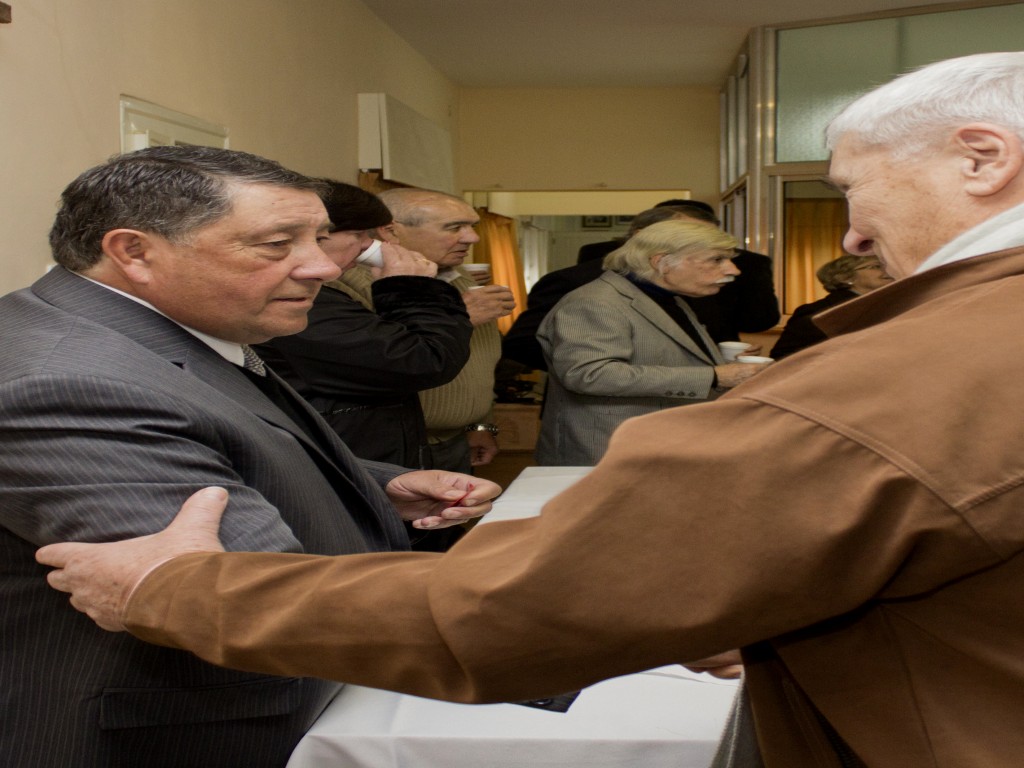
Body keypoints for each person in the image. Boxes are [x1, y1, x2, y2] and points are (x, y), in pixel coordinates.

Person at [36, 52, 1024, 767]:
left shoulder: (929, 360)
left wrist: (177, 590)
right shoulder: (65, 369)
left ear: (983, 161)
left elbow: (526, 606)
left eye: (851, 191)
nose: (850, 236)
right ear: (135, 253)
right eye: (275, 244)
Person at [0, 146, 498, 768]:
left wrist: (370, 485)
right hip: (178, 732)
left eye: (319, 238)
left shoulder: (162, 327)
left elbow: (210, 447)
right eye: (277, 244)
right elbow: (244, 588)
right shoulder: (66, 382)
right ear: (134, 252)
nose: (321, 266)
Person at [255, 180, 472, 470]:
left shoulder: (319, 295)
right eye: (358, 234)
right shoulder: (298, 304)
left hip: (367, 458)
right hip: (341, 466)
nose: (369, 244)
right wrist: (411, 288)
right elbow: (423, 360)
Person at [535, 219, 771, 465]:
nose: (734, 270)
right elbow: (588, 374)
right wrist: (714, 376)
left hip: (657, 444)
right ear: (661, 262)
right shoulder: (595, 302)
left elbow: (660, 353)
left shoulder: (668, 297)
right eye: (717, 259)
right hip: (610, 450)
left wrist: (723, 363)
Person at [341, 187, 515, 472]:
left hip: (456, 441)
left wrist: (481, 425)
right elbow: (381, 361)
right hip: (392, 444)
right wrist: (458, 315)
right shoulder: (348, 284)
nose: (472, 238)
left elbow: (481, 363)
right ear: (391, 231)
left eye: (472, 226)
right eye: (454, 227)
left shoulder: (461, 278)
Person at [501, 200, 779, 370]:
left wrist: (712, 358)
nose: (730, 269)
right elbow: (575, 366)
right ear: (645, 240)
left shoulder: (677, 288)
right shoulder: (585, 288)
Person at [769, 254, 892, 359]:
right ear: (845, 278)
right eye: (876, 266)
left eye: (887, 265)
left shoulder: (889, 305)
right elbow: (785, 356)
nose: (888, 270)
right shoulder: (818, 311)